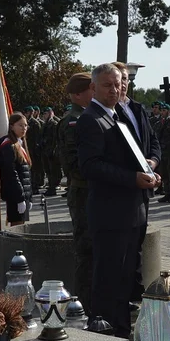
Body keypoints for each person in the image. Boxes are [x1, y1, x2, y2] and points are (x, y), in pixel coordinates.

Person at [77, 63, 161, 337]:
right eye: (106, 85)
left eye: (117, 84)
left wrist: (148, 173)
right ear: (93, 88)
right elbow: (90, 166)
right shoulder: (91, 118)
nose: (114, 90)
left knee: (125, 279)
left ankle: (123, 331)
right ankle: (105, 333)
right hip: (111, 214)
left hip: (132, 210)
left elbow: (134, 157)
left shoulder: (117, 116)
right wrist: (132, 178)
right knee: (108, 278)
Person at [114, 61, 161, 309]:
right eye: (119, 79)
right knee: (126, 242)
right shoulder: (110, 113)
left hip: (145, 180)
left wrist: (153, 161)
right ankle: (127, 293)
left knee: (139, 239)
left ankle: (137, 290)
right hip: (127, 186)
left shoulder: (138, 108)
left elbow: (153, 140)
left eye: (125, 79)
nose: (123, 84)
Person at [59, 73, 94, 315]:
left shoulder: (85, 116)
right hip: (83, 193)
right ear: (79, 94)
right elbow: (73, 164)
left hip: (92, 192)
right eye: (92, 89)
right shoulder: (73, 120)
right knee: (86, 250)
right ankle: (83, 304)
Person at [0, 113, 33, 227]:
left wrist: (29, 196)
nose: (24, 128)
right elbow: (11, 173)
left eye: (26, 125)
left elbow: (26, 174)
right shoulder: (9, 145)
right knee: (17, 226)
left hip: (23, 194)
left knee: (22, 225)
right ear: (12, 126)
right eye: (20, 125)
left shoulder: (20, 143)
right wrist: (20, 197)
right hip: (16, 195)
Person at [42, 106, 62, 196]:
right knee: (48, 169)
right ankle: (51, 186)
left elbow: (55, 138)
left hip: (51, 150)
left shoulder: (53, 124)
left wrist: (53, 150)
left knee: (53, 170)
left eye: (46, 113)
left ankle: (52, 188)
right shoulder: (45, 124)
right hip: (46, 149)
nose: (44, 115)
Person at [26, 106, 45, 195]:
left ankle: (35, 186)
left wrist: (37, 149)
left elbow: (37, 138)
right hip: (28, 149)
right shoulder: (27, 122)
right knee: (31, 169)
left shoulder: (35, 123)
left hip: (34, 150)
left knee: (35, 169)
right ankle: (32, 185)